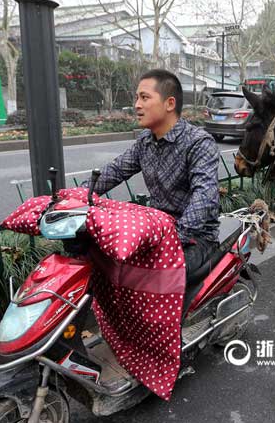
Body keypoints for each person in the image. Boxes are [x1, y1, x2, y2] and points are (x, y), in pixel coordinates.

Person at [87, 69, 220, 276]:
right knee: (105, 261)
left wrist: (174, 238)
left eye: (144, 97)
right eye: (137, 98)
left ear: (170, 104)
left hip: (196, 237)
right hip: (157, 230)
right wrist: (74, 197)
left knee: (149, 275)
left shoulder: (199, 143)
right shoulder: (145, 141)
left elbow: (204, 198)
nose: (137, 105)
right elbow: (114, 171)